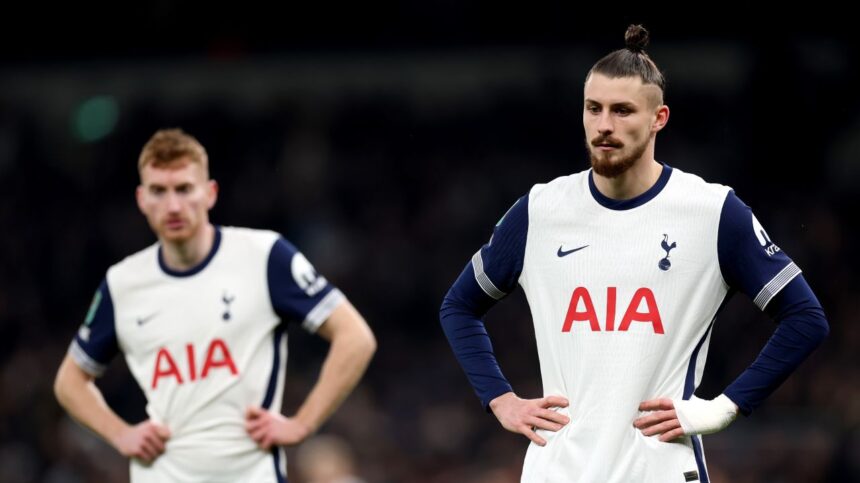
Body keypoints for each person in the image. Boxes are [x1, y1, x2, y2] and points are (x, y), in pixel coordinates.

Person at [439, 25, 829, 483]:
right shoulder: (540, 210)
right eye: (594, 108)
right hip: (556, 470)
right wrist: (499, 398)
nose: (604, 125)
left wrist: (726, 406)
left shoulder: (713, 211)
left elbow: (805, 318)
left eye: (622, 110)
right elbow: (459, 306)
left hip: (660, 470)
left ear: (659, 118)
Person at [53, 128, 377, 482]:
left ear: (210, 193)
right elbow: (70, 380)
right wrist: (119, 433)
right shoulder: (123, 283)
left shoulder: (264, 257)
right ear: (142, 199)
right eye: (159, 191)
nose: (173, 206)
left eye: (184, 189)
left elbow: (355, 337)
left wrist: (303, 423)